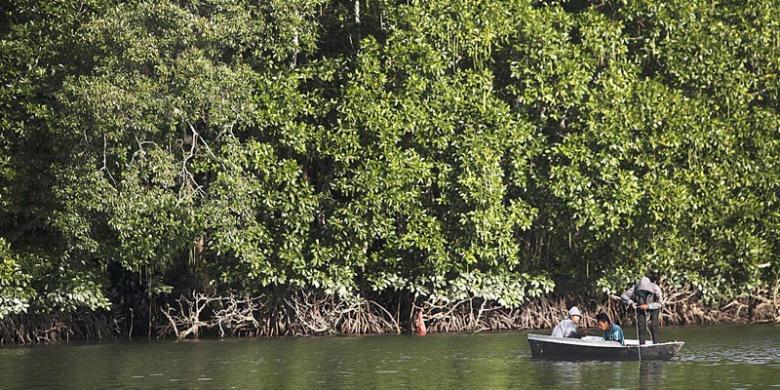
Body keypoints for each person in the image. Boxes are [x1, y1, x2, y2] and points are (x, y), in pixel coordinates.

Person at [620, 274, 664, 345]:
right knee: (641, 325)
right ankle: (642, 344)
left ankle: (656, 343)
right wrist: (631, 302)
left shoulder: (655, 288)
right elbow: (623, 296)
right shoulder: (635, 287)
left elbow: (660, 303)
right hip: (640, 306)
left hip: (653, 307)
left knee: (654, 325)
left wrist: (648, 306)